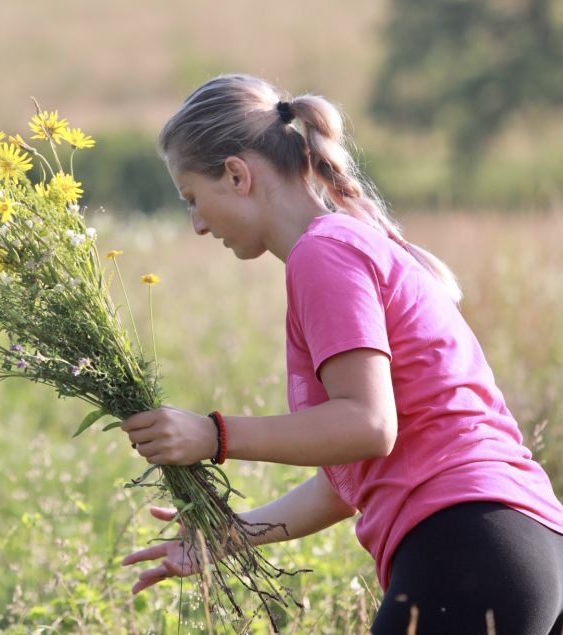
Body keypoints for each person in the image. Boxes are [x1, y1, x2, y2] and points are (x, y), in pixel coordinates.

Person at [119, 74, 563, 634]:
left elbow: (368, 425)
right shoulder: (348, 245)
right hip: (521, 540)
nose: (199, 224)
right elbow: (349, 475)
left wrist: (212, 435)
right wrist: (231, 534)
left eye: (193, 199)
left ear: (237, 174)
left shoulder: (322, 255)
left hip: (465, 539)